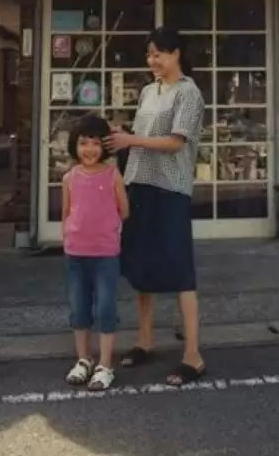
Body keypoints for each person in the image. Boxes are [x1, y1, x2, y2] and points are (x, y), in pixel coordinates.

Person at [105, 26, 206, 386]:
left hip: (171, 188)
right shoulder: (149, 91)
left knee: (180, 269)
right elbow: (144, 135)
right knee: (141, 266)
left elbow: (176, 143)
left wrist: (131, 138)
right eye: (149, 54)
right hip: (139, 184)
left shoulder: (189, 93)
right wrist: (124, 133)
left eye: (159, 54)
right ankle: (144, 340)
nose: (153, 61)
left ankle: (193, 355)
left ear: (176, 53)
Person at [62, 113, 130, 391]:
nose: (88, 150)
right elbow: (65, 213)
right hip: (75, 253)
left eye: (94, 143)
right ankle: (83, 359)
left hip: (105, 253)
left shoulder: (113, 175)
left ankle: (105, 364)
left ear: (104, 146)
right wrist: (66, 239)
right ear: (74, 147)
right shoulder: (69, 177)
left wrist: (108, 228)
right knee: (79, 307)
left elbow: (124, 210)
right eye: (82, 144)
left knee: (105, 307)